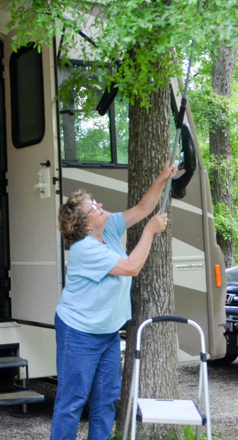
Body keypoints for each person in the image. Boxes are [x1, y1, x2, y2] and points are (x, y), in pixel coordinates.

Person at [50, 160, 178, 440]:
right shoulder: (84, 249)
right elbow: (132, 266)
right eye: (91, 207)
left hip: (106, 332)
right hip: (79, 333)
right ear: (84, 225)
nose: (98, 205)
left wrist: (162, 177)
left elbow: (144, 208)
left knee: (106, 399)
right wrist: (148, 232)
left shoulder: (107, 229)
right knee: (72, 402)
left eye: (94, 201)